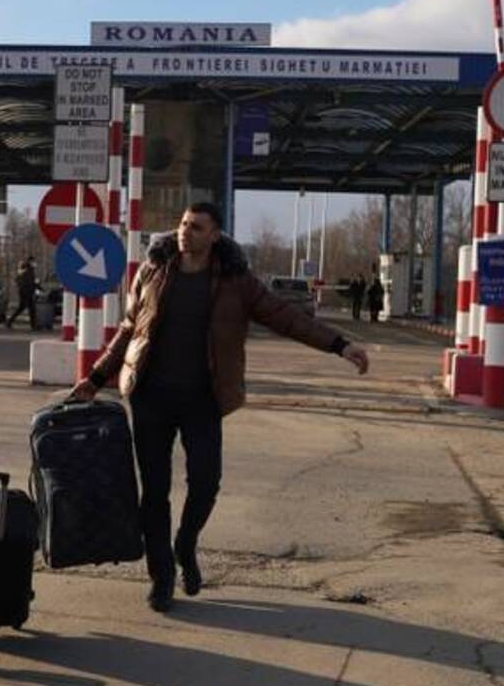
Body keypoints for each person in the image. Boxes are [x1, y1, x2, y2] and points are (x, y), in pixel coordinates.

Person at [70, 202, 370, 613]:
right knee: (154, 491)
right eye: (182, 224)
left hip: (203, 399)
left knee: (206, 483)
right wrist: (95, 378)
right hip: (150, 396)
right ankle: (161, 578)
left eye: (196, 227)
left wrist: (340, 345)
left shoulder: (236, 281)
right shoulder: (154, 270)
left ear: (215, 235)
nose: (184, 233)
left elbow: (286, 318)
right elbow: (128, 329)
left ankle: (185, 543)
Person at [6, 257, 41, 329]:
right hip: (27, 292)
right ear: (31, 262)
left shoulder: (25, 269)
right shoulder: (29, 270)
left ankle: (10, 322)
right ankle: (33, 325)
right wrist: (38, 287)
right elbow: (31, 282)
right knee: (31, 308)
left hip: (24, 291)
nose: (34, 263)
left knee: (23, 308)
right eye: (33, 262)